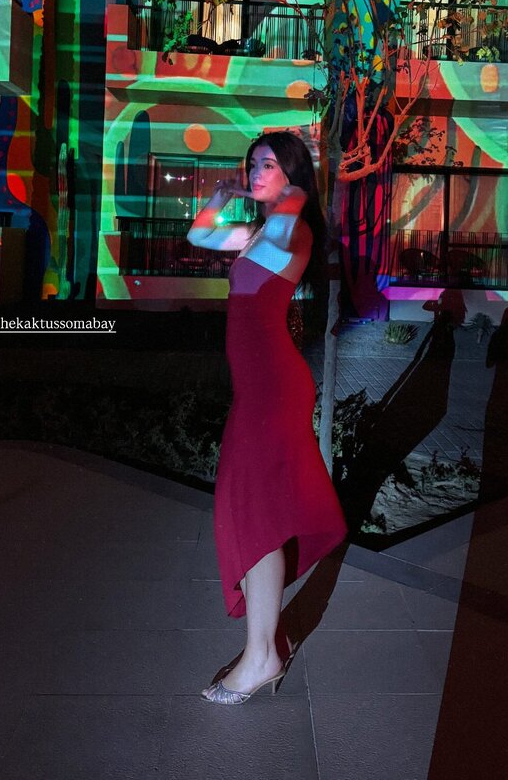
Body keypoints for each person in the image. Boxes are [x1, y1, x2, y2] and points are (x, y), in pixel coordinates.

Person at [187, 131, 347, 705]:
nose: (255, 172)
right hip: (257, 391)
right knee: (250, 511)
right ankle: (263, 650)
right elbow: (198, 235)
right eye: (252, 163)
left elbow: (279, 235)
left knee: (255, 513)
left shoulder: (292, 229)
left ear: (293, 175)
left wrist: (291, 192)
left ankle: (262, 657)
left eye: (268, 165)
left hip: (274, 390)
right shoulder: (259, 231)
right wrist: (222, 193)